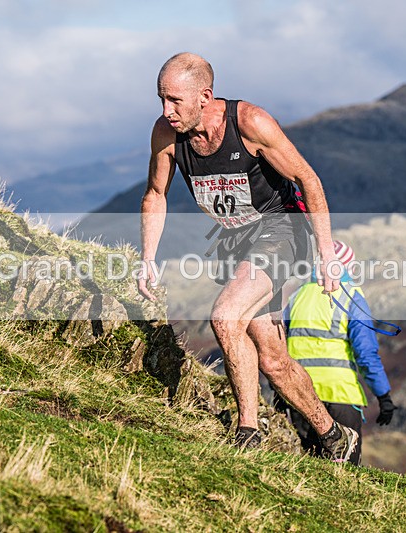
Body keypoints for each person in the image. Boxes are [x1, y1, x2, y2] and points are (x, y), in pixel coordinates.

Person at [137, 52, 358, 460]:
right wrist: (148, 257)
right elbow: (155, 194)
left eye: (174, 101)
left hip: (284, 230)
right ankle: (335, 436)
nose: (166, 111)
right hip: (237, 243)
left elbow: (308, 179)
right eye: (161, 100)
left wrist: (327, 253)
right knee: (273, 361)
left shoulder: (251, 123)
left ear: (205, 97)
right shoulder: (166, 134)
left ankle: (247, 433)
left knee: (224, 316)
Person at [280, 240, 397, 465]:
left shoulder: (297, 297)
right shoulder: (351, 297)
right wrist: (383, 396)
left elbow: (278, 341)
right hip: (340, 396)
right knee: (346, 473)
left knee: (302, 468)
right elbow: (366, 353)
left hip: (297, 395)